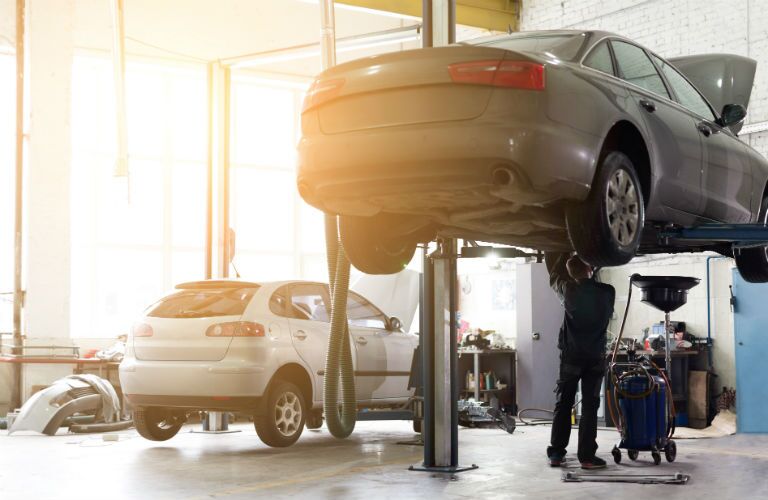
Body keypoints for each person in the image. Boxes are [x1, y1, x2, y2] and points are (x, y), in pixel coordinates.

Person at [544, 252, 615, 469]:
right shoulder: (607, 292)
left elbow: (554, 276)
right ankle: (586, 457)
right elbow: (596, 273)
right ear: (590, 270)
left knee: (563, 404)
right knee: (591, 407)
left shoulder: (569, 290)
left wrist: (560, 250)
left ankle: (556, 454)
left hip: (571, 358)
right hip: (594, 358)